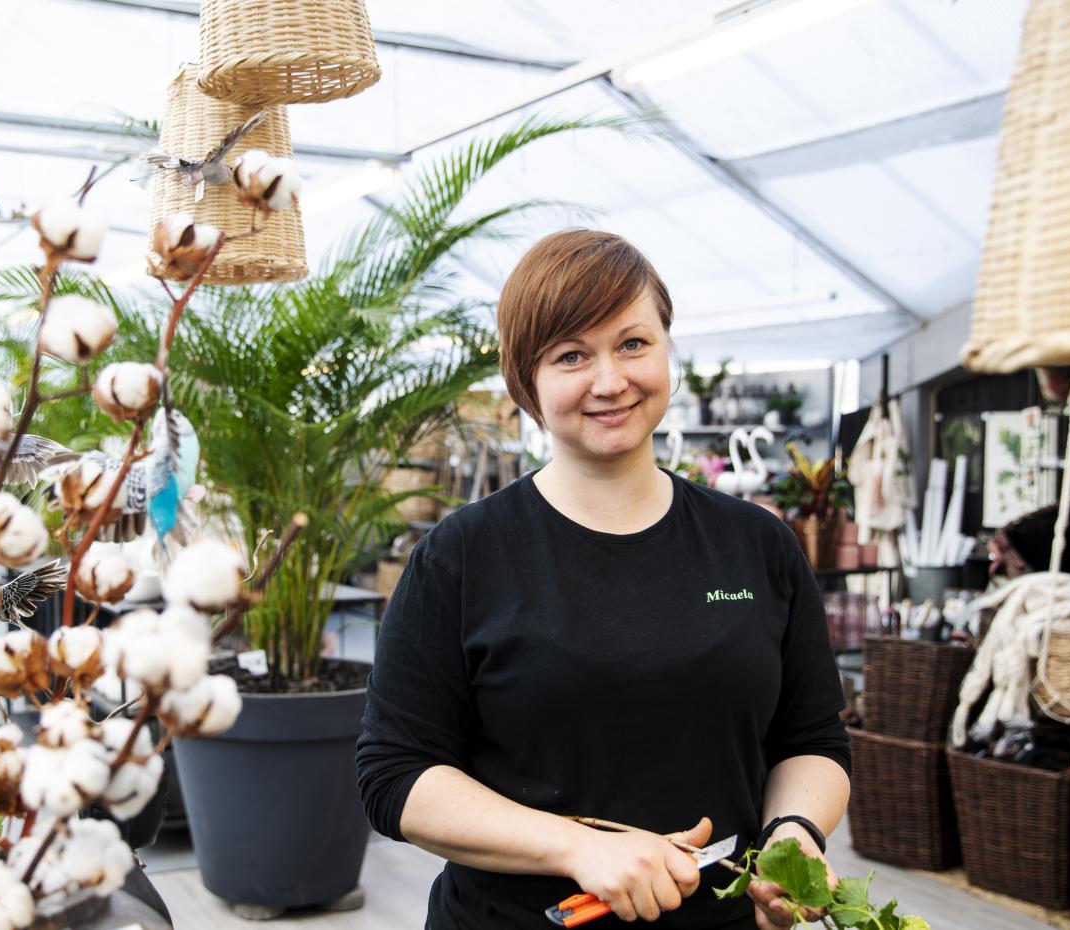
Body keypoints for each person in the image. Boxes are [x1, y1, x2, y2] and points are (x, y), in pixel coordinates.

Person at [356, 229, 852, 929]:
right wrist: (577, 848)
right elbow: (395, 775)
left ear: (667, 346)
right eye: (570, 356)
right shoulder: (463, 556)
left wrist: (793, 835)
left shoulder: (757, 545)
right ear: (527, 381)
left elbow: (812, 740)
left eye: (633, 344)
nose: (610, 380)